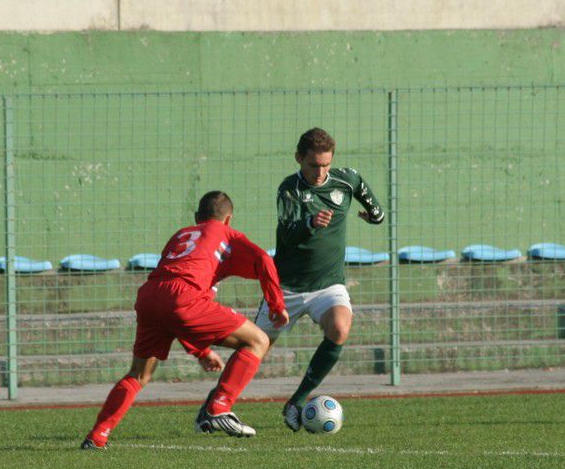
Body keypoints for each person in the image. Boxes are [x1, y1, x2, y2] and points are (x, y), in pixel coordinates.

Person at [81, 191, 289, 449]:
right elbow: (263, 259)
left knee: (138, 374)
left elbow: (173, 309)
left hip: (150, 296)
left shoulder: (182, 234)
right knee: (258, 340)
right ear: (228, 220)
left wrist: (201, 352)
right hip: (183, 298)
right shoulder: (227, 234)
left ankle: (98, 435)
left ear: (196, 217)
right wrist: (276, 305)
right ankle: (219, 406)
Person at [253, 127, 384, 431]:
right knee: (253, 349)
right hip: (286, 287)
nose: (320, 171)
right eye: (313, 165)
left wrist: (375, 215)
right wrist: (310, 222)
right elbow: (286, 231)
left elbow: (368, 198)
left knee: (340, 327)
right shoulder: (289, 188)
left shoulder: (345, 180)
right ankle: (217, 406)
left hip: (328, 284)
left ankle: (296, 402)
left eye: (326, 164)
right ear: (299, 158)